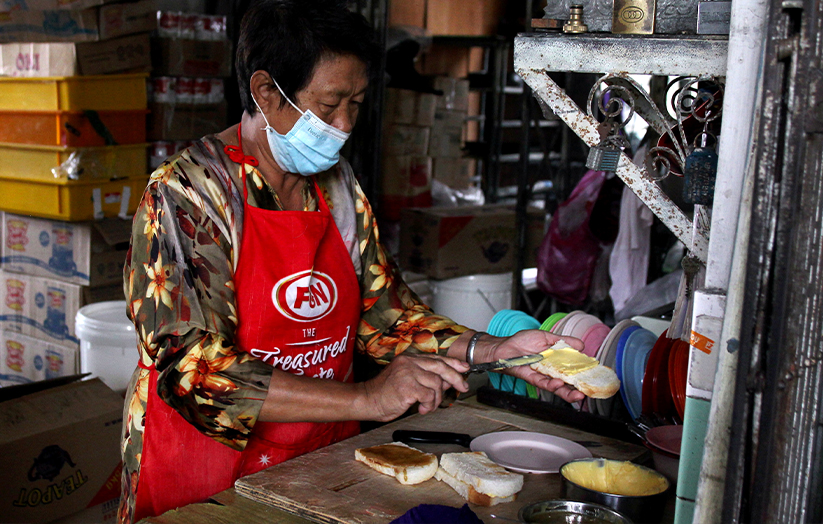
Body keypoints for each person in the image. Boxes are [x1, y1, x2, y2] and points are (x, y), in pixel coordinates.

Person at [117, 1, 586, 522]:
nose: (343, 126)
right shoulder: (189, 196)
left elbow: (385, 316)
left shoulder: (336, 188)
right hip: (204, 471)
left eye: (356, 104)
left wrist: (496, 351)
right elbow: (192, 369)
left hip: (317, 460)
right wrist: (366, 399)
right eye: (329, 104)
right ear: (267, 93)